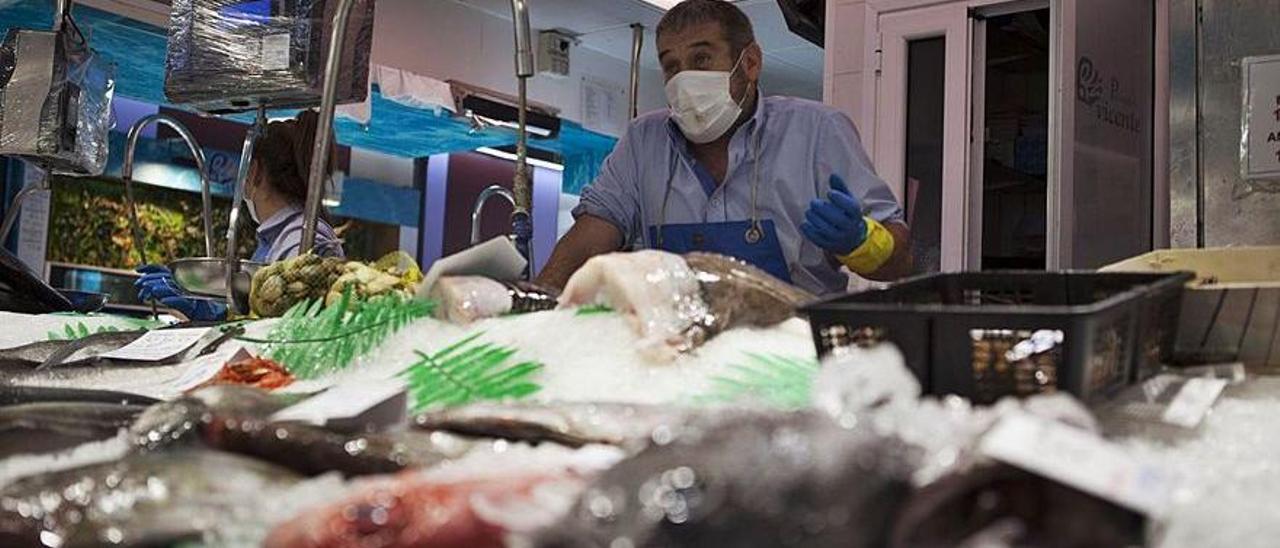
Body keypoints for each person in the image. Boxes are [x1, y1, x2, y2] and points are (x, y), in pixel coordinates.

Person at [535, 0, 912, 295]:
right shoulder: (642, 142)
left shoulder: (817, 131)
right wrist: (533, 305)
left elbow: (900, 261)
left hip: (791, 363)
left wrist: (863, 242)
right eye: (671, 66)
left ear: (750, 63)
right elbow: (590, 236)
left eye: (701, 59)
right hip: (680, 358)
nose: (684, 78)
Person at [135, 110, 345, 320]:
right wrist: (211, 315)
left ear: (254, 172)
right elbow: (257, 315)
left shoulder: (301, 239)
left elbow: (281, 332)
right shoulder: (279, 237)